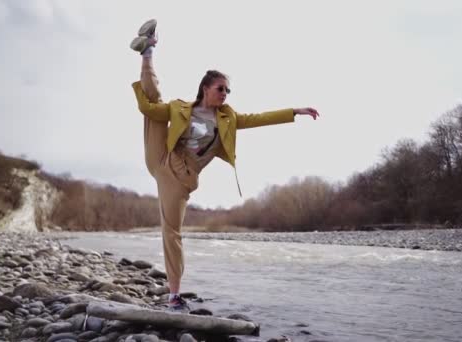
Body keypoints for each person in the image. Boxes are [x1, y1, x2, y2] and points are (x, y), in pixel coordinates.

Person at [129, 19, 319, 311]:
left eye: (228, 91)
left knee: (172, 232)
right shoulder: (180, 109)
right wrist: (142, 95)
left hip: (179, 178)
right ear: (206, 88)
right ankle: (148, 51)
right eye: (221, 88)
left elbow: (259, 118)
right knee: (155, 101)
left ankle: (174, 293)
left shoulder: (227, 119)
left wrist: (295, 110)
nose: (225, 94)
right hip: (161, 157)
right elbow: (147, 108)